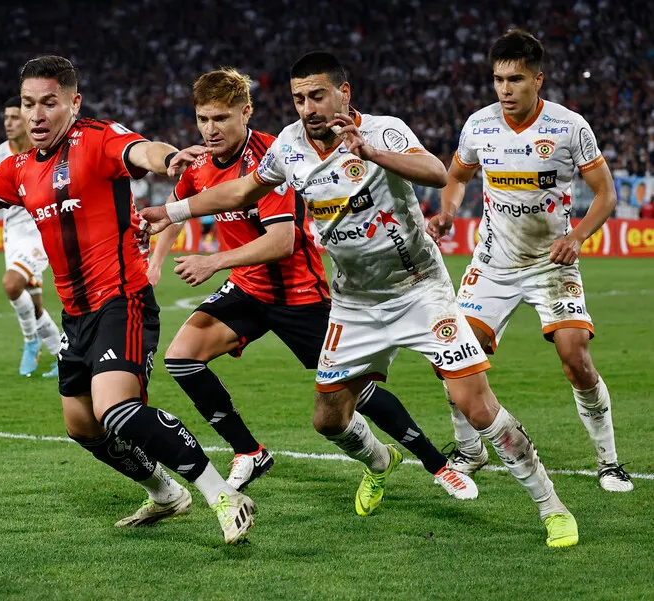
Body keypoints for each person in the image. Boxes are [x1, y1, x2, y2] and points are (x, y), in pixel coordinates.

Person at [141, 51, 578, 548]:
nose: (308, 107)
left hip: (419, 291)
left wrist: (370, 153)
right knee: (327, 419)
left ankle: (551, 506)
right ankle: (378, 461)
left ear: (343, 93)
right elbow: (242, 191)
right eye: (299, 98)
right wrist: (171, 210)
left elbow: (434, 172)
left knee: (476, 407)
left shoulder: (384, 130)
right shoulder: (288, 145)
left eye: (318, 95)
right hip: (354, 304)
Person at [0, 55, 256, 544]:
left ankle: (222, 495)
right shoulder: (18, 170)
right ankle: (165, 493)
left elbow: (143, 151)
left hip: (123, 300)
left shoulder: (97, 139)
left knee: (115, 408)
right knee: (82, 426)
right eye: (28, 104)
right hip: (76, 314)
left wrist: (168, 161)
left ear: (73, 104)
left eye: (48, 104)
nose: (36, 115)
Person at [147, 68, 477, 499]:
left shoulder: (274, 155)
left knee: (357, 391)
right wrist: (155, 262)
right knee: (182, 358)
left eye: (221, 119)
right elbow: (178, 209)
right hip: (249, 290)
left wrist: (215, 261)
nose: (210, 130)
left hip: (298, 294)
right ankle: (249, 451)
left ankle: (436, 464)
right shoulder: (200, 165)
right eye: (203, 120)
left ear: (246, 112)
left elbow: (282, 241)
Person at [428, 29, 632, 493]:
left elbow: (606, 194)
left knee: (575, 357)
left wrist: (578, 236)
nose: (504, 90)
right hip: (493, 263)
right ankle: (469, 449)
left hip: (551, 263)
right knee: (452, 356)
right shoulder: (479, 125)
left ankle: (609, 461)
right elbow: (457, 176)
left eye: (515, 79)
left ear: (538, 80)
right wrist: (447, 211)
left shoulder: (569, 127)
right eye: (498, 79)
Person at [0, 96, 60, 377]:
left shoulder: (49, 151)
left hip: (43, 229)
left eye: (15, 117)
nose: (9, 123)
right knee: (33, 301)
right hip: (13, 233)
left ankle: (30, 342)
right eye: (6, 118)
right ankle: (62, 353)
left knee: (12, 284)